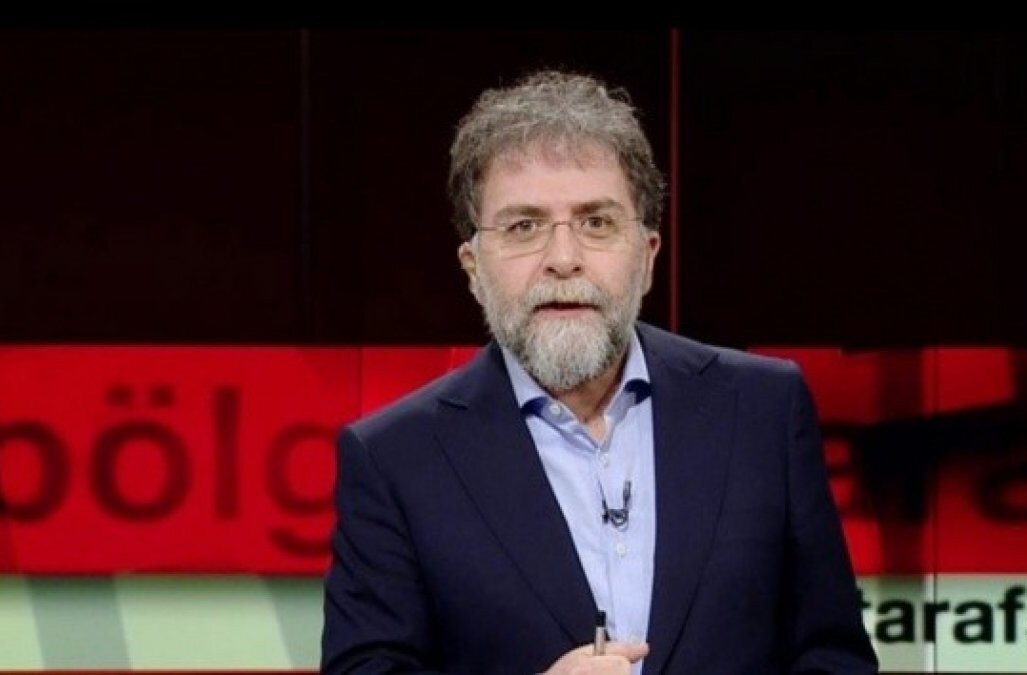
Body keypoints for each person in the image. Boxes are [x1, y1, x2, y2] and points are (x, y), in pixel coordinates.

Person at [321, 69, 877, 675]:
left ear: (648, 256)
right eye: (524, 226)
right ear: (473, 267)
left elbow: (833, 656)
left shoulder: (763, 409)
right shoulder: (395, 458)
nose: (563, 259)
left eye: (596, 222)